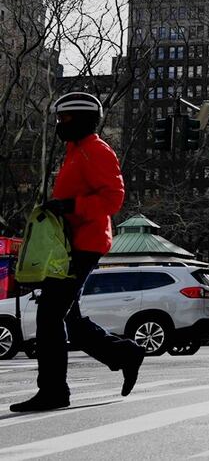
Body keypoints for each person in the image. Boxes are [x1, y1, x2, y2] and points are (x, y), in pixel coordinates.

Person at [11, 92, 144, 413]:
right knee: (69, 317)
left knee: (50, 314)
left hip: (85, 243)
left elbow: (113, 199)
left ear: (83, 119)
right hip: (69, 244)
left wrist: (71, 206)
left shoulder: (96, 151)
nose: (59, 124)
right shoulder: (76, 151)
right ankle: (124, 354)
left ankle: (54, 390)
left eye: (65, 119)